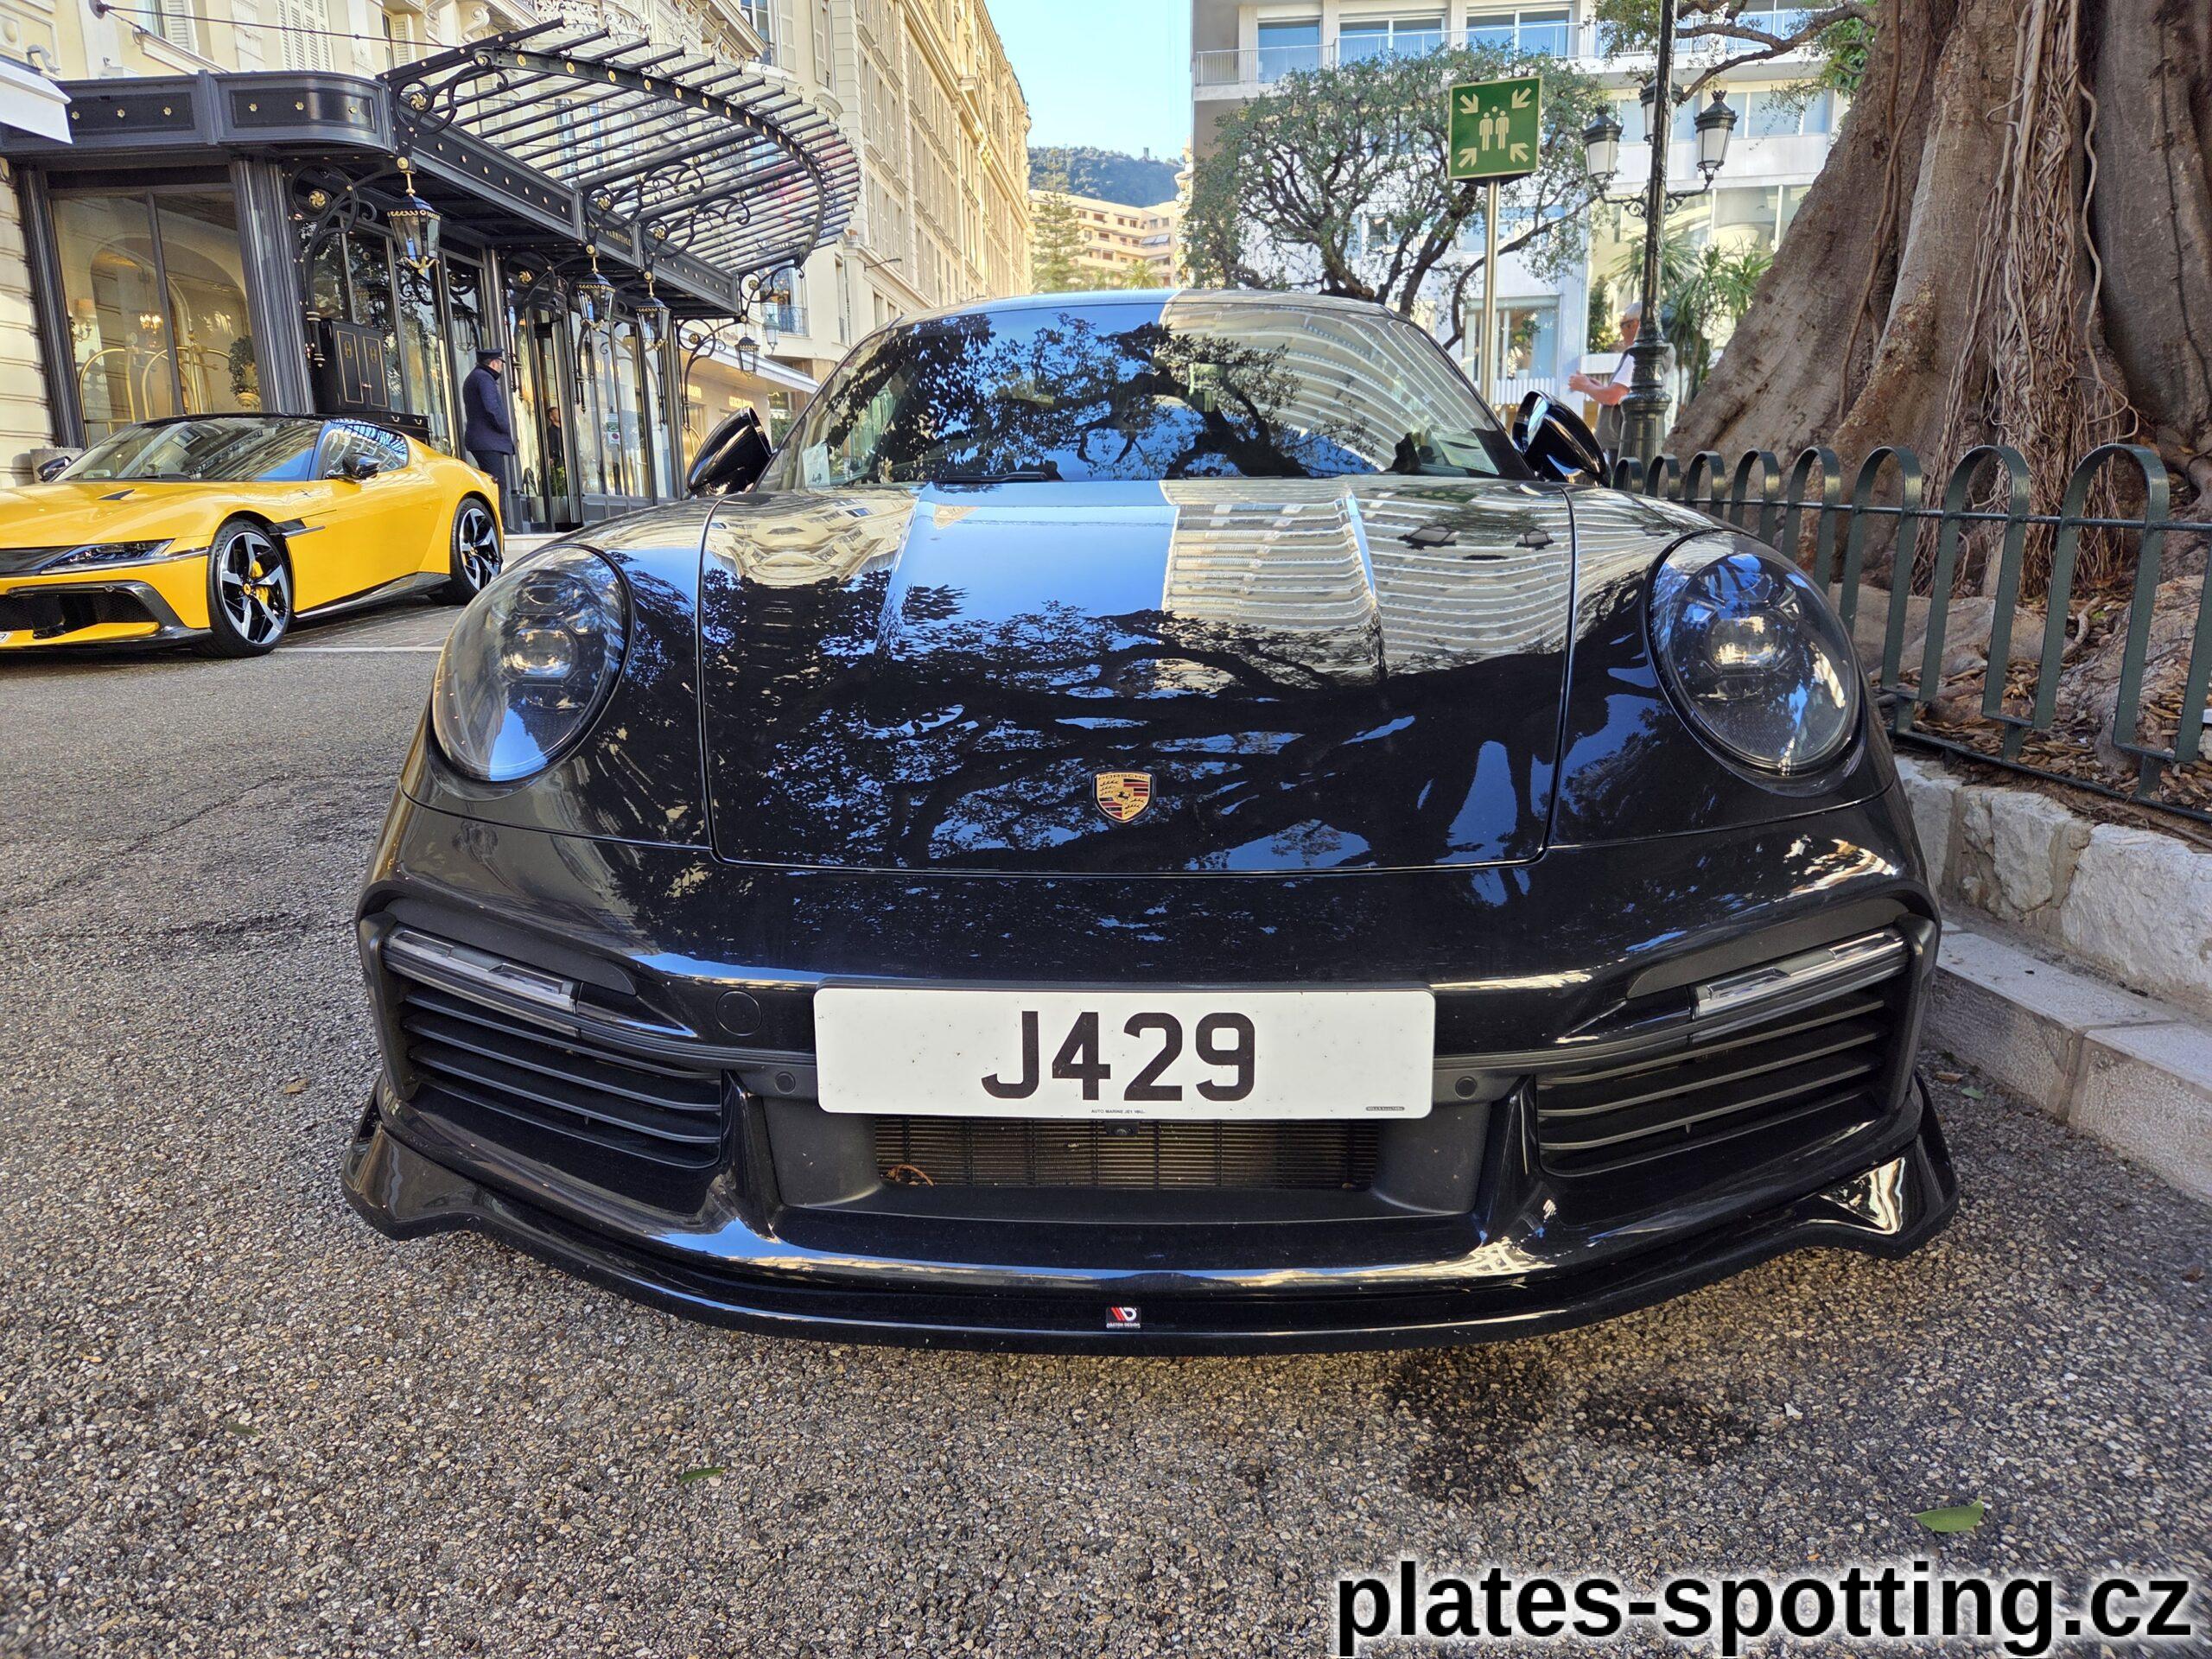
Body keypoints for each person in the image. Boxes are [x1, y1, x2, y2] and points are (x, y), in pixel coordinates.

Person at [1567, 303, 1669, 460]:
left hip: (1623, 439)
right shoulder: (1653, 353)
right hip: (1631, 438)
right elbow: (1622, 395)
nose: (1621, 332)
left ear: (1636, 325)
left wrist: (1585, 386)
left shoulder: (1638, 355)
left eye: (1623, 325)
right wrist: (1597, 388)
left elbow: (1613, 396)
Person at [461, 347, 515, 524]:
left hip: (483, 440)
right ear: (494, 363)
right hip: (487, 441)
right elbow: (492, 408)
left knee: (493, 482)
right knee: (496, 484)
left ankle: (496, 523)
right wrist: (505, 427)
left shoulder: (475, 377)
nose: (501, 368)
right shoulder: (484, 378)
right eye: (500, 364)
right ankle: (499, 524)